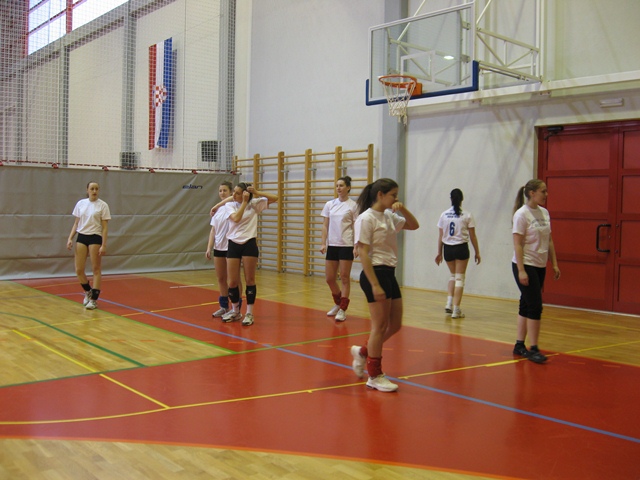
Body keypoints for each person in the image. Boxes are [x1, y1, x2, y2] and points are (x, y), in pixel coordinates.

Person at [350, 178, 419, 392]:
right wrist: (375, 284)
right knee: (379, 327)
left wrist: (403, 209)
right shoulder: (366, 218)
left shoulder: (389, 216)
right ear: (380, 195)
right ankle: (374, 375)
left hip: (389, 272)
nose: (396, 198)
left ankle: (363, 351)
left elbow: (414, 225)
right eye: (393, 195)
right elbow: (363, 253)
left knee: (395, 324)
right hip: (375, 272)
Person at [211, 182, 278, 326]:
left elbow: (275, 198)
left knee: (250, 280)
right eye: (233, 192)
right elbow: (236, 218)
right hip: (233, 244)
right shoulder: (230, 205)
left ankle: (249, 313)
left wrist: (257, 193)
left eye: (237, 193)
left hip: (249, 244)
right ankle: (235, 311)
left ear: (245, 194)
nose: (233, 195)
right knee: (232, 282)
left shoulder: (254, 204)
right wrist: (243, 203)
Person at [511, 179, 561, 364]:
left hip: (540, 265)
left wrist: (554, 264)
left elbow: (549, 240)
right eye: (543, 191)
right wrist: (521, 270)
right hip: (526, 264)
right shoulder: (521, 214)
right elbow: (517, 244)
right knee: (535, 306)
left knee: (526, 303)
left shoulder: (544, 213)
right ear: (532, 193)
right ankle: (533, 348)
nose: (546, 194)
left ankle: (519, 345)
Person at [435, 188, 481, 319]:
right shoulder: (467, 215)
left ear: (451, 199)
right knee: (460, 279)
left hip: (448, 249)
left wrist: (439, 252)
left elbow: (440, 236)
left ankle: (449, 303)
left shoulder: (444, 214)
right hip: (461, 248)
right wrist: (477, 252)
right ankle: (456, 309)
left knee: (453, 276)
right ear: (462, 199)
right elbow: (473, 236)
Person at [66, 181, 111, 310]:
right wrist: (70, 238)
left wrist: (104, 244)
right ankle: (88, 291)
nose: (94, 191)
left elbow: (105, 228)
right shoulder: (81, 203)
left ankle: (94, 299)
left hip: (95, 237)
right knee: (79, 269)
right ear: (87, 190)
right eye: (92, 188)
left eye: (96, 189)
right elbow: (76, 223)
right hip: (82, 236)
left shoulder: (103, 205)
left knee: (96, 268)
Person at [320, 176, 358, 322]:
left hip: (346, 245)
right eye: (337, 185)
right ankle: (338, 303)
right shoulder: (330, 204)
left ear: (348, 187)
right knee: (330, 278)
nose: (338, 188)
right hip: (332, 245)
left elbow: (356, 226)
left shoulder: (353, 205)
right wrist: (323, 243)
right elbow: (325, 225)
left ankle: (343, 308)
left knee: (344, 277)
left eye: (341, 185)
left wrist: (356, 245)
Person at [206, 181, 242, 318]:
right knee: (221, 278)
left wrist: (216, 205)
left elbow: (232, 198)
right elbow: (213, 230)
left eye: (225, 190)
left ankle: (236, 308)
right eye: (220, 190)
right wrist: (209, 247)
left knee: (235, 279)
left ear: (231, 192)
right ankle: (224, 306)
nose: (222, 193)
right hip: (219, 247)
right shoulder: (218, 211)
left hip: (231, 247)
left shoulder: (234, 205)